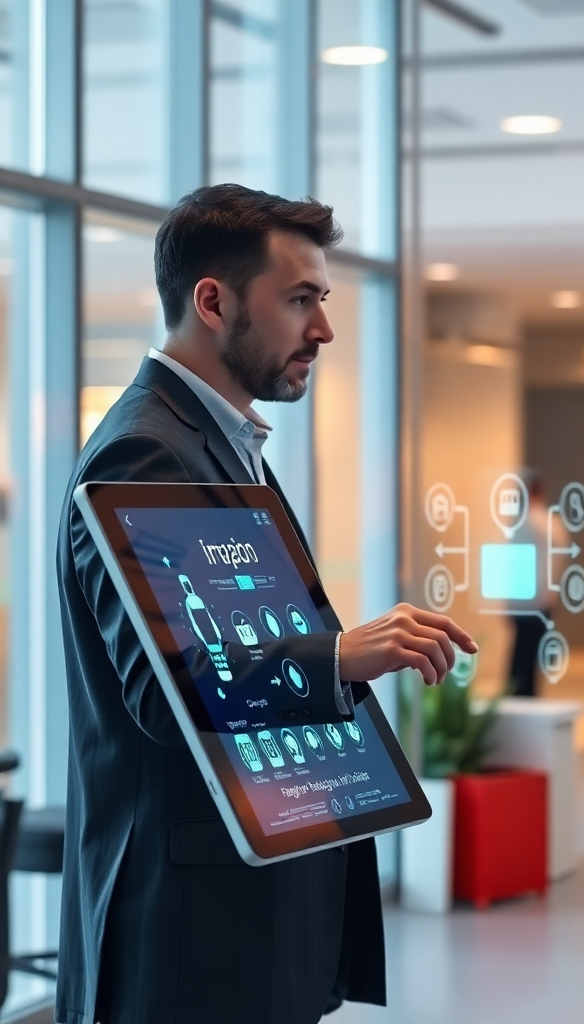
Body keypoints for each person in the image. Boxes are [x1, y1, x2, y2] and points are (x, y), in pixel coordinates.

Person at [56, 184, 477, 1024]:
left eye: (320, 300)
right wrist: (342, 654)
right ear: (212, 301)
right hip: (190, 932)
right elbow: (164, 688)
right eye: (299, 301)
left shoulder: (217, 440)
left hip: (247, 905)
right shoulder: (149, 449)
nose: (322, 329)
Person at [507, 474, 563, 696]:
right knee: (533, 656)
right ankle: (529, 694)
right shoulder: (553, 524)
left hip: (525, 599)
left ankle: (520, 696)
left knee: (521, 656)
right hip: (545, 598)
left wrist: (508, 600)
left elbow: (516, 563)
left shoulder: (526, 522)